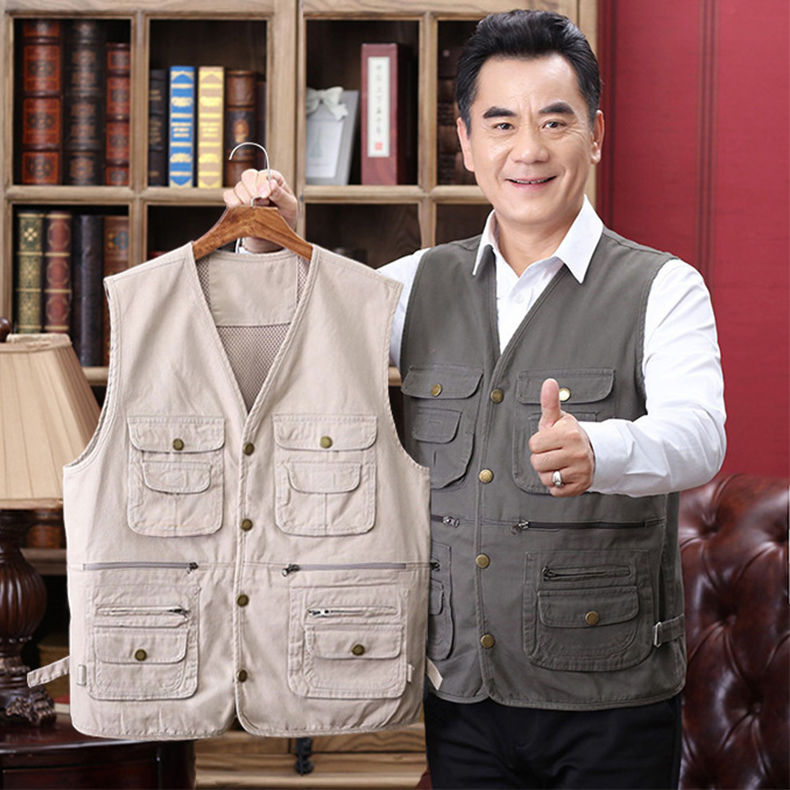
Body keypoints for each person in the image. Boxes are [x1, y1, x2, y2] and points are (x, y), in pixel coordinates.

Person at [224, 10, 725, 788]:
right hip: (459, 695)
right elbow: (281, 364)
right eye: (501, 124)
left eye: (554, 121)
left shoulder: (663, 286)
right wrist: (269, 247)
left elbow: (700, 436)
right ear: (465, 142)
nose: (529, 149)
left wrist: (601, 449)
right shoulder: (413, 282)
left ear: (594, 134)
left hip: (612, 701)